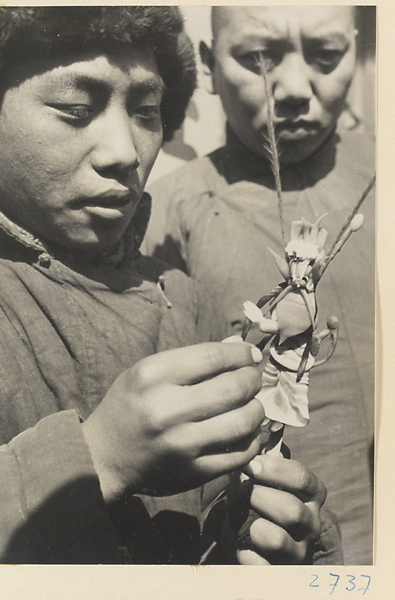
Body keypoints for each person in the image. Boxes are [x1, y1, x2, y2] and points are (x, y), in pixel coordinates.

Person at [0, 6, 341, 566]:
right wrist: (99, 457)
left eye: (147, 112)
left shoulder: (184, 300)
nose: (125, 152)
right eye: (76, 110)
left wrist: (276, 537)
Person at [143, 6, 374, 564]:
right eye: (258, 58)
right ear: (207, 63)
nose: (294, 87)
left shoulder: (378, 179)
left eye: (325, 55)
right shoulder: (159, 218)